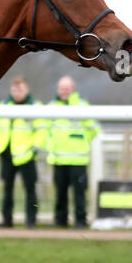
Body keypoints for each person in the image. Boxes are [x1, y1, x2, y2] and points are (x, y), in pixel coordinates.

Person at [0, 76, 47, 228]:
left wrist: (34, 149)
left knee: (30, 189)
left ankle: (31, 221)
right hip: (6, 153)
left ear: (27, 90)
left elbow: (42, 130)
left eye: (20, 89)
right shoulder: (3, 105)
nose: (17, 93)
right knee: (7, 189)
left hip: (26, 155)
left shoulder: (35, 106)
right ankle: (7, 221)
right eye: (14, 90)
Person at [47, 75, 99, 228]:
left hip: (78, 160)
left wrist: (81, 141)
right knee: (60, 194)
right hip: (58, 159)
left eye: (67, 88)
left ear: (73, 90)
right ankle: (60, 222)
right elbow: (44, 130)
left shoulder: (83, 106)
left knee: (79, 194)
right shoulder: (51, 107)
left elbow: (94, 130)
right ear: (58, 90)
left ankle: (81, 221)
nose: (64, 91)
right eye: (62, 88)